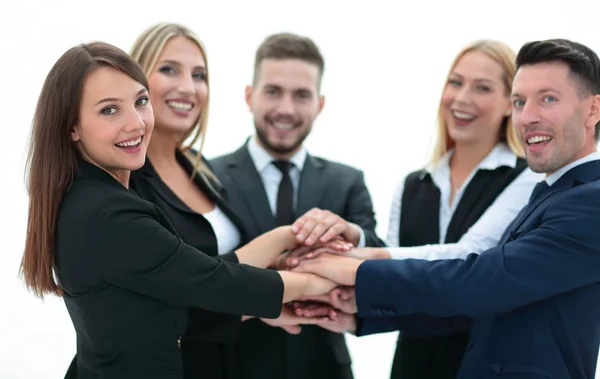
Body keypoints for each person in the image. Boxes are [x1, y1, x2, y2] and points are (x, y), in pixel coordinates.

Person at [19, 41, 339, 379]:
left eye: (140, 102)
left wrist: (288, 236)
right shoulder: (106, 212)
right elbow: (213, 281)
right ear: (72, 126)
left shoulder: (100, 195)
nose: (136, 123)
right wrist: (328, 281)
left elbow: (189, 281)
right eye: (109, 110)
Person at [292, 38, 600, 379]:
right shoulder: (552, 190)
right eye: (520, 101)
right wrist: (362, 313)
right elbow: (496, 301)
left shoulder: (590, 200)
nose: (527, 117)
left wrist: (356, 270)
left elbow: (484, 280)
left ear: (593, 110)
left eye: (548, 99)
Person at [126, 23, 351, 379]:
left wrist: (262, 305)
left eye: (199, 75)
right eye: (169, 69)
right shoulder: (126, 180)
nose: (187, 86)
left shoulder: (200, 173)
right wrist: (289, 276)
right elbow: (172, 300)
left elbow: (218, 279)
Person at [210, 32, 385, 379]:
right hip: (228, 367)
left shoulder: (347, 180)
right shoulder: (205, 177)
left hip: (324, 368)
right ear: (250, 96)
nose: (286, 109)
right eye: (273, 91)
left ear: (319, 104)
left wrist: (352, 234)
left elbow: (380, 264)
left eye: (301, 95)